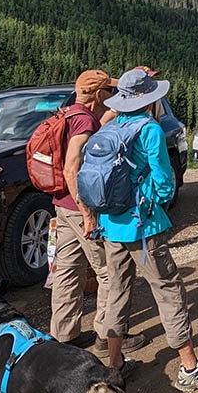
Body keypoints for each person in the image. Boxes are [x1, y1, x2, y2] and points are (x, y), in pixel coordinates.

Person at [99, 68, 198, 391]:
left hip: (111, 224)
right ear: (148, 99)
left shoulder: (111, 126)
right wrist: (154, 202)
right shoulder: (150, 130)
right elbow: (163, 181)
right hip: (142, 226)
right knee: (169, 291)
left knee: (116, 292)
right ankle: (190, 368)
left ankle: (114, 366)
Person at [50, 69, 148, 355]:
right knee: (108, 273)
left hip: (61, 205)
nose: (114, 97)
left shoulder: (67, 113)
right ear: (97, 95)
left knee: (68, 271)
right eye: (110, 92)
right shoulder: (83, 121)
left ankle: (64, 336)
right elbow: (71, 168)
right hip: (81, 207)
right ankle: (107, 337)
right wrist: (88, 213)